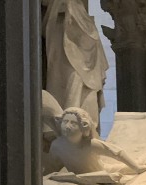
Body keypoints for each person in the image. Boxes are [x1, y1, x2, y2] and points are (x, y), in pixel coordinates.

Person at [44, 0, 109, 131]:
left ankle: (81, 128)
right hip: (63, 40)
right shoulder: (59, 22)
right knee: (70, 84)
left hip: (79, 42)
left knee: (84, 91)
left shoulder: (81, 17)